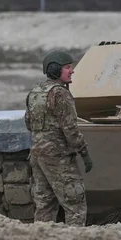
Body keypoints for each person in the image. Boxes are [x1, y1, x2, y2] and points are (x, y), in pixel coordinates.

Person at [25, 49, 93, 226]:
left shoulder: (35, 92)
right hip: (58, 157)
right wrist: (84, 153)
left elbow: (28, 123)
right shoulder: (60, 94)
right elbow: (70, 129)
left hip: (37, 155)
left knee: (44, 205)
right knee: (75, 204)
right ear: (55, 69)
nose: (72, 71)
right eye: (68, 67)